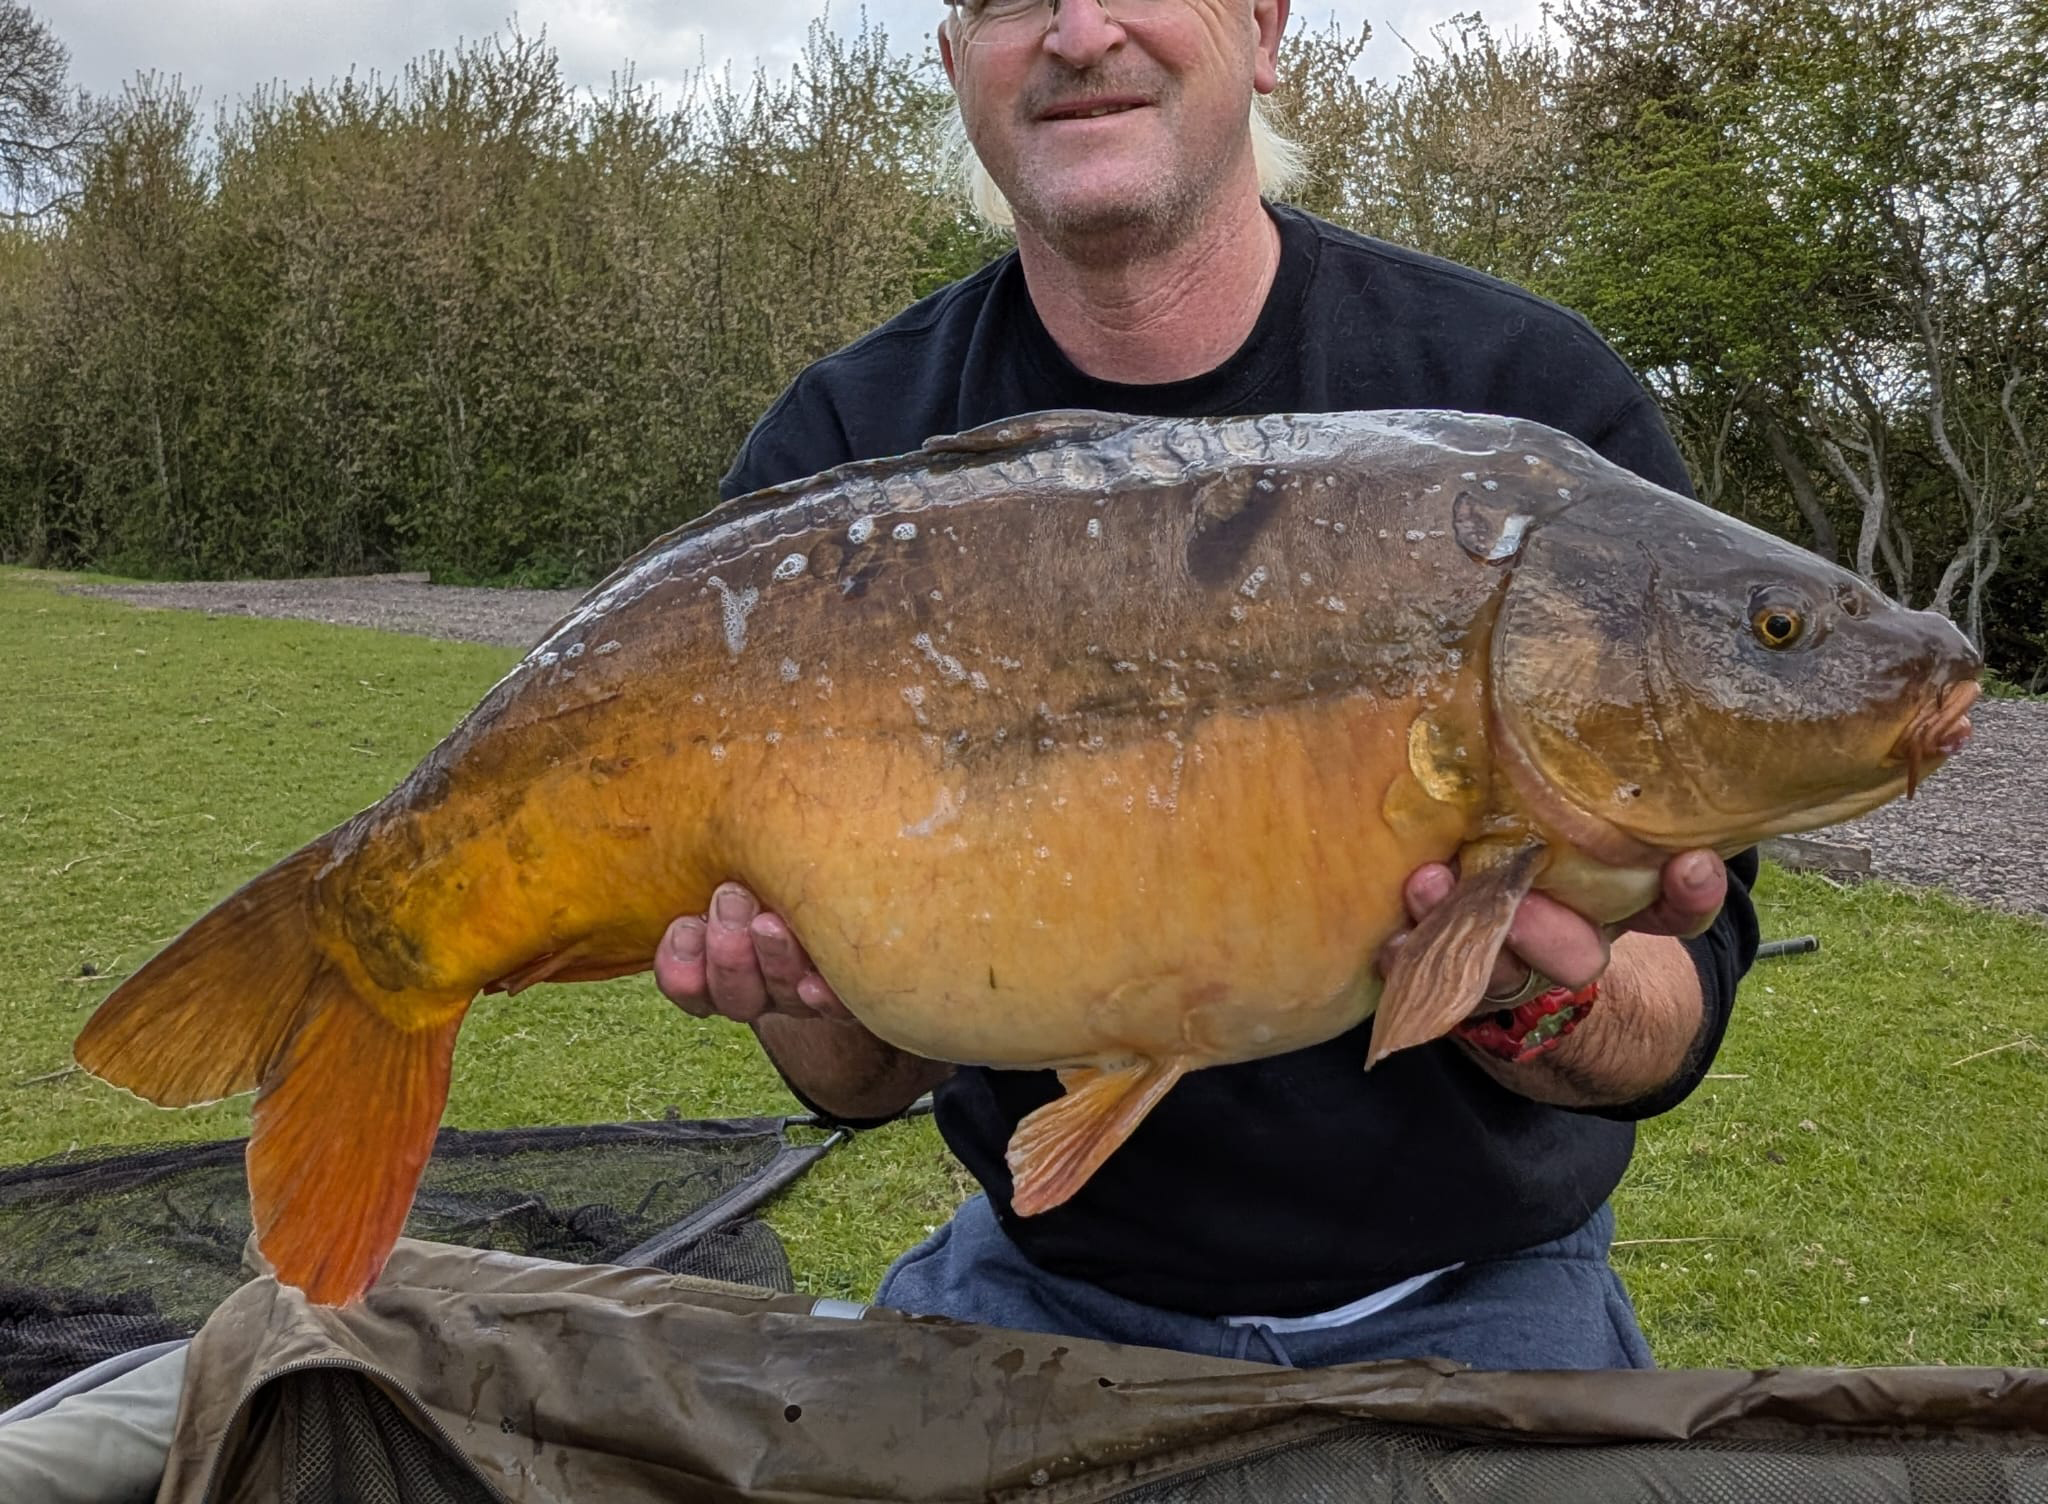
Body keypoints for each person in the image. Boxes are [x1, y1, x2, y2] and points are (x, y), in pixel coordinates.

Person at [652, 0, 1760, 1370]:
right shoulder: (848, 458)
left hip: (1478, 1300)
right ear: (955, 61)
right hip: (1042, 1289)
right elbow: (863, 1081)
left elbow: (1679, 1000)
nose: (1079, 30)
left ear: (1267, 28)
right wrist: (804, 997)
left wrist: (1521, 987)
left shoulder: (1523, 412)